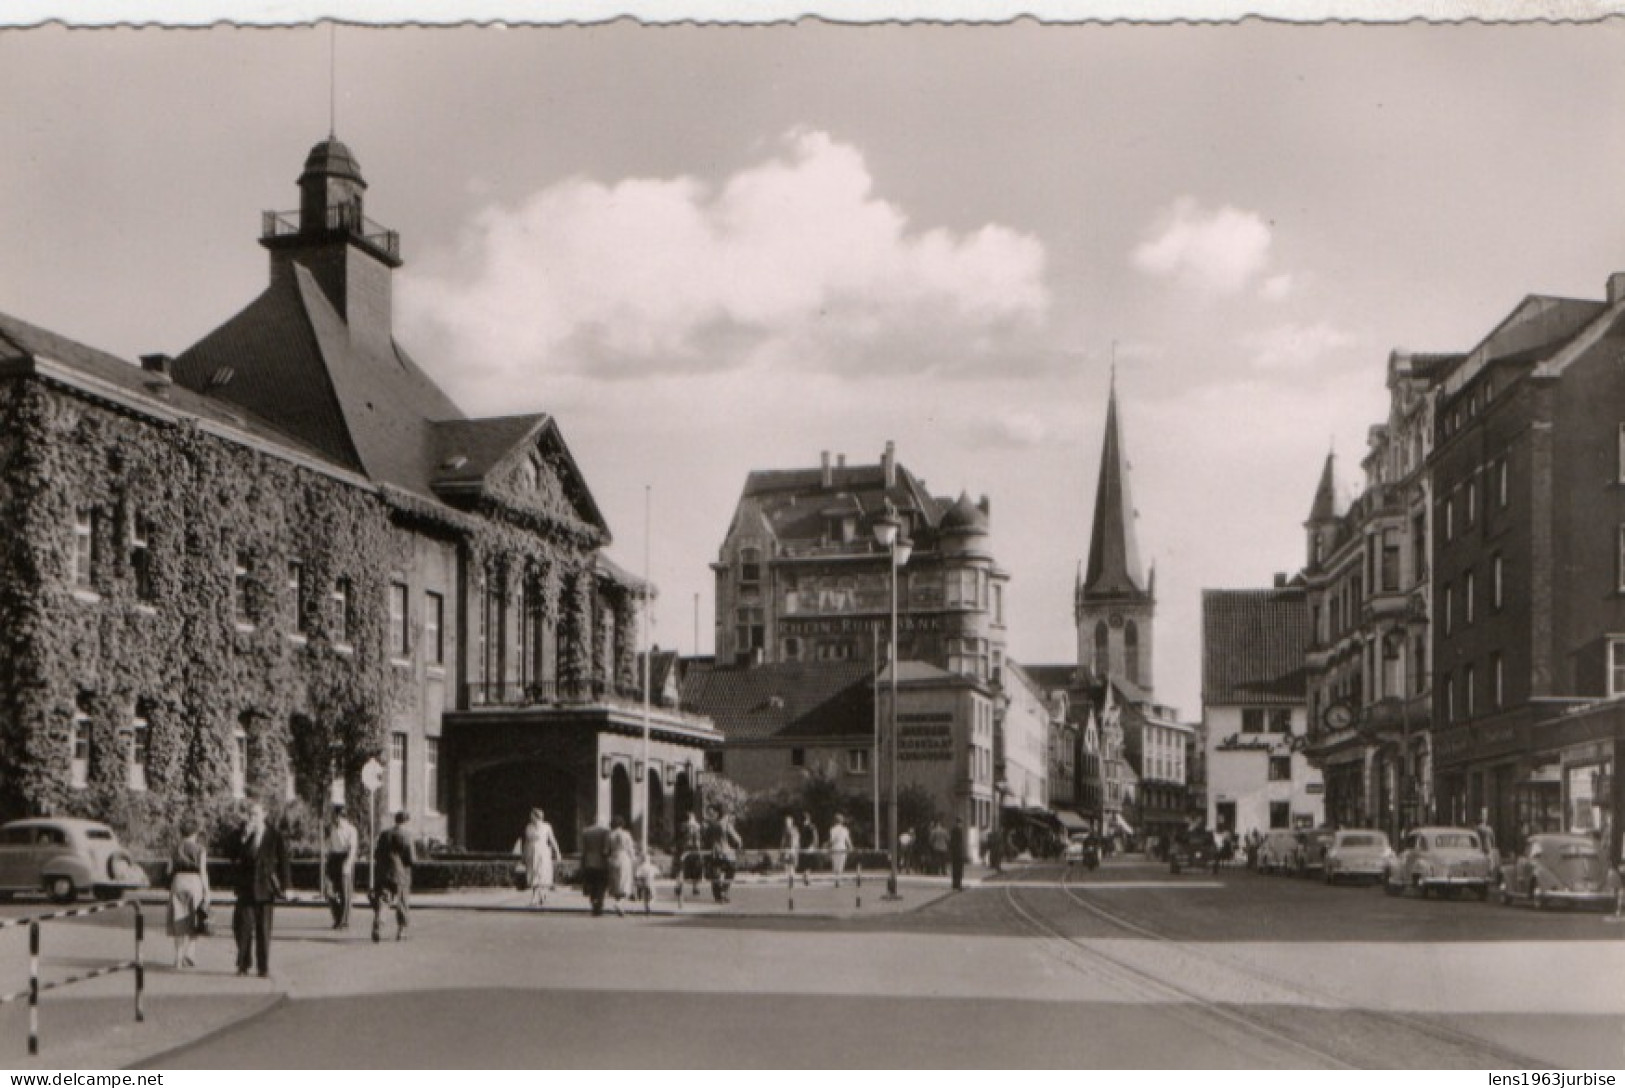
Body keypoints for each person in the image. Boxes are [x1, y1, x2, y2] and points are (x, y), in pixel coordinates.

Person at [230, 801, 290, 978]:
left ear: (264, 815)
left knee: (264, 930)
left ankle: (263, 967)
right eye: (250, 814)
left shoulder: (274, 835)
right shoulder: (242, 834)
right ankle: (243, 964)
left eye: (255, 814)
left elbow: (284, 861)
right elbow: (232, 854)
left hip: (265, 888)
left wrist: (286, 886)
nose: (252, 818)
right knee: (242, 928)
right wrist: (243, 839)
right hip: (246, 888)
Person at [166, 817, 210, 969]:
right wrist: (207, 892)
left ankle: (178, 958)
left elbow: (168, 870)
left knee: (178, 919)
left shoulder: (175, 848)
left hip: (178, 882)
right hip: (194, 882)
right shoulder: (200, 849)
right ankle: (190, 953)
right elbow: (203, 872)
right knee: (194, 918)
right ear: (196, 833)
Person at [372, 810, 416, 943]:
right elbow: (412, 858)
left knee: (384, 901)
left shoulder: (384, 834)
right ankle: (402, 931)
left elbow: (376, 854)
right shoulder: (407, 835)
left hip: (383, 873)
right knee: (402, 901)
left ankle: (378, 926)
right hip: (400, 873)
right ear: (406, 822)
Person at [517, 807, 562, 909]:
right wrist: (523, 855)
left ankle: (535, 897)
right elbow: (526, 842)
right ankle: (541, 896)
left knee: (540, 873)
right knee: (533, 873)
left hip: (543, 852)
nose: (530, 817)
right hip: (531, 852)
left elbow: (552, 840)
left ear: (537, 816)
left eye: (532, 815)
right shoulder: (528, 827)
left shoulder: (546, 827)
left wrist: (557, 852)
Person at [325, 804, 357, 930]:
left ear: (343, 817)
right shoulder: (333, 829)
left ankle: (344, 922)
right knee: (329, 891)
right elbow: (330, 846)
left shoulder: (351, 830)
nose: (336, 819)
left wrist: (348, 863)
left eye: (337, 816)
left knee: (345, 893)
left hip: (345, 858)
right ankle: (338, 917)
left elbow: (353, 848)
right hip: (334, 859)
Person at [702, 805, 742, 903]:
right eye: (709, 813)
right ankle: (720, 894)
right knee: (716, 874)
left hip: (722, 852)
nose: (710, 815)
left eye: (712, 813)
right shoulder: (711, 825)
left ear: (718, 813)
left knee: (727, 870)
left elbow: (735, 837)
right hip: (717, 852)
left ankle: (722, 892)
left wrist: (738, 843)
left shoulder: (720, 824)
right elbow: (736, 838)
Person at [579, 815, 611, 916]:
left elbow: (583, 849)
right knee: (601, 884)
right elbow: (606, 849)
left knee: (592, 884)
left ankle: (593, 902)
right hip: (601, 862)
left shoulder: (586, 831)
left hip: (589, 861)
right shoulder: (606, 831)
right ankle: (599, 905)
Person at [607, 815, 637, 917]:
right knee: (625, 883)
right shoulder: (626, 834)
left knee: (616, 884)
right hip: (624, 858)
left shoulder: (610, 835)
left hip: (612, 859)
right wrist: (634, 859)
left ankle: (619, 905)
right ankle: (619, 903)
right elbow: (630, 849)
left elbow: (606, 850)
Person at [674, 810, 704, 897]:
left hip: (682, 849)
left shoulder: (681, 827)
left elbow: (677, 838)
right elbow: (698, 840)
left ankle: (678, 885)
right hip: (693, 849)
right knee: (696, 868)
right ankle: (695, 887)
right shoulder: (696, 827)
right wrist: (699, 850)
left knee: (681, 868)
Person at [827, 813, 853, 887]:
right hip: (842, 848)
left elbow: (832, 840)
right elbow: (848, 840)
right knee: (841, 865)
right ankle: (838, 880)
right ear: (842, 821)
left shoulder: (832, 829)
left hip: (835, 848)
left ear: (834, 821)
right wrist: (851, 847)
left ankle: (837, 880)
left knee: (835, 864)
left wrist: (827, 845)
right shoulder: (845, 829)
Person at [798, 812, 819, 886]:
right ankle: (806, 878)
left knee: (808, 863)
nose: (803, 821)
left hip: (809, 847)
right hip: (803, 847)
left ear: (808, 819)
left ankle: (807, 878)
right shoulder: (802, 827)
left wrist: (813, 846)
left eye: (805, 819)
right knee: (804, 864)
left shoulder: (811, 826)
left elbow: (815, 837)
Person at [779, 814, 800, 882]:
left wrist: (794, 848)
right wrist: (782, 848)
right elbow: (783, 840)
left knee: (791, 864)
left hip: (791, 849)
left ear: (791, 822)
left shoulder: (794, 829)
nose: (787, 823)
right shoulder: (785, 830)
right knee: (787, 864)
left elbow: (796, 839)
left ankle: (791, 877)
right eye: (786, 822)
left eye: (788, 821)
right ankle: (790, 877)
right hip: (787, 849)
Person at [950, 817, 968, 891]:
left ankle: (954, 884)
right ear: (959, 823)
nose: (961, 825)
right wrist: (962, 853)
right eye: (960, 823)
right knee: (959, 869)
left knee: (954, 869)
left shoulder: (953, 830)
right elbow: (959, 844)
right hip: (958, 853)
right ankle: (958, 885)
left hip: (954, 853)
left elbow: (952, 842)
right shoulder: (959, 831)